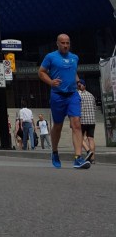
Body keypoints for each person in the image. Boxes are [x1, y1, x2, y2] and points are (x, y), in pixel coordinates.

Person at [38, 33, 90, 169]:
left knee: (76, 124)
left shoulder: (74, 58)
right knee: (58, 126)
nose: (65, 45)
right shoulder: (50, 57)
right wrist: (51, 82)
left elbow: (73, 72)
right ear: (57, 43)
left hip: (72, 95)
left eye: (67, 43)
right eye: (63, 43)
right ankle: (54, 152)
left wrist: (78, 82)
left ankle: (78, 158)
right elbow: (41, 72)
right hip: (57, 96)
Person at [77, 79, 97, 163]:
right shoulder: (91, 95)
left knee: (79, 138)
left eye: (79, 85)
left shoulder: (77, 95)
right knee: (91, 138)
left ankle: (88, 151)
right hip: (92, 120)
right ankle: (92, 159)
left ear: (83, 86)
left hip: (82, 120)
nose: (78, 86)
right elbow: (95, 108)